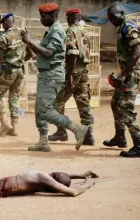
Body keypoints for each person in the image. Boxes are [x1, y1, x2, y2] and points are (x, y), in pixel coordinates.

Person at [20, 3, 89, 152]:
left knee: (45, 110)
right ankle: (43, 141)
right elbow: (41, 51)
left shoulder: (57, 31)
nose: (41, 19)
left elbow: (48, 53)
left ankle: (77, 129)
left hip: (52, 74)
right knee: (39, 109)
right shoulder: (51, 30)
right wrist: (29, 45)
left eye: (44, 16)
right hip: (46, 74)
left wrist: (29, 41)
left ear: (53, 15)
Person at [103, 4, 140, 158]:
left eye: (113, 17)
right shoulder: (122, 27)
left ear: (121, 13)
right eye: (109, 19)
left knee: (127, 110)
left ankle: (139, 147)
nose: (111, 21)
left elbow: (137, 53)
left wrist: (123, 75)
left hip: (130, 76)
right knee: (116, 103)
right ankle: (120, 137)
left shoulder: (128, 27)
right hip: (125, 74)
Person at [48, 8, 95, 145]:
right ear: (79, 17)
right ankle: (88, 134)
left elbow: (72, 53)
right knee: (83, 103)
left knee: (57, 102)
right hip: (84, 70)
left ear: (69, 18)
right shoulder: (85, 32)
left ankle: (61, 131)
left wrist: (68, 75)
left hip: (73, 71)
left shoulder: (70, 31)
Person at [0, 13, 32, 136]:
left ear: (7, 22)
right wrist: (20, 61)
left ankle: (5, 124)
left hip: (8, 71)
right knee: (14, 98)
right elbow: (30, 53)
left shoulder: (4, 38)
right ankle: (15, 128)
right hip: (20, 70)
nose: (2, 26)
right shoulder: (23, 33)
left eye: (2, 23)